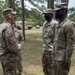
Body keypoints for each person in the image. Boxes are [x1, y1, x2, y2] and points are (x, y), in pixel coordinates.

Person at [53, 3, 75, 75]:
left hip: (62, 60)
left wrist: (67, 60)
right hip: (56, 57)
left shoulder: (68, 25)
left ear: (63, 11)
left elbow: (70, 45)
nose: (55, 13)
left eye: (57, 11)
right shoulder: (58, 24)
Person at [0, 8, 19, 75]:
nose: (14, 17)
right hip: (9, 58)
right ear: (9, 16)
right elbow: (12, 46)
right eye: (13, 15)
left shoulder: (1, 26)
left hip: (3, 56)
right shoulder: (8, 27)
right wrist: (17, 48)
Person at [42, 8, 58, 75]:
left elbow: (57, 38)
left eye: (47, 14)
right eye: (44, 14)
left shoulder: (55, 24)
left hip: (51, 51)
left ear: (51, 15)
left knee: (51, 69)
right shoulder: (44, 23)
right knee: (45, 68)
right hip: (44, 49)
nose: (45, 16)